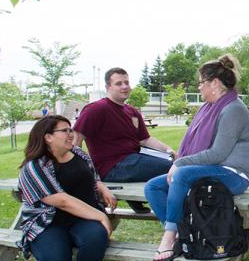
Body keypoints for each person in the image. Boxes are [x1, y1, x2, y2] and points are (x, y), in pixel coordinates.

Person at [144, 55, 249, 261]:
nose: (199, 87)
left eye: (201, 82)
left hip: (234, 175)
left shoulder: (233, 109)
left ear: (215, 83)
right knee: (153, 187)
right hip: (211, 171)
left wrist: (179, 162)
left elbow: (217, 154)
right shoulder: (209, 109)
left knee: (182, 174)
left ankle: (169, 237)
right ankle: (184, 235)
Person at [13, 115, 116, 261]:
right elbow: (62, 201)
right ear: (48, 137)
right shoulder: (34, 167)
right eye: (65, 131)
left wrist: (102, 187)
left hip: (83, 218)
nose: (71, 134)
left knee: (96, 239)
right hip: (49, 222)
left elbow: (92, 176)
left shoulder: (79, 153)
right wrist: (101, 216)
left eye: (71, 130)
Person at [74, 68, 177, 214]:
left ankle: (140, 198)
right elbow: (76, 139)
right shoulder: (96, 109)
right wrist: (83, 171)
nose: (124, 86)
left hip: (133, 159)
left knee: (174, 163)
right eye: (118, 83)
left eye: (126, 82)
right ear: (108, 87)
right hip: (111, 166)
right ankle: (174, 216)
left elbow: (145, 139)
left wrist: (169, 150)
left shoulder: (132, 111)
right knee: (174, 169)